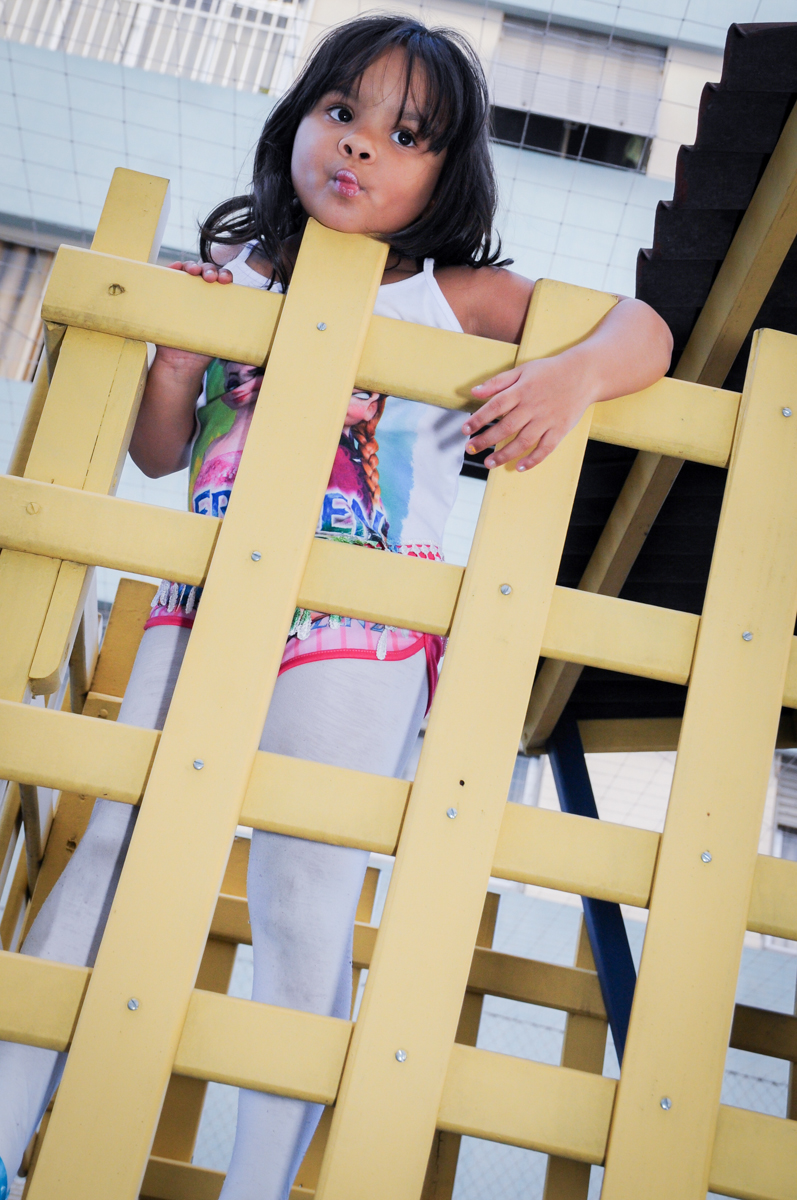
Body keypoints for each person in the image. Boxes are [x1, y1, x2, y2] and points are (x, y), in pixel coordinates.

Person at [0, 14, 673, 1200]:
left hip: (359, 629)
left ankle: (263, 1182)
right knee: (114, 843)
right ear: (297, 122)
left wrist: (570, 376)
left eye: (404, 135)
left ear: (445, 175)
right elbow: (159, 455)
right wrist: (175, 367)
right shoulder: (238, 273)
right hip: (200, 607)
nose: (360, 144)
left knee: (304, 890)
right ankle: (5, 1137)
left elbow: (645, 330)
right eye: (339, 112)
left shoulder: (454, 298)